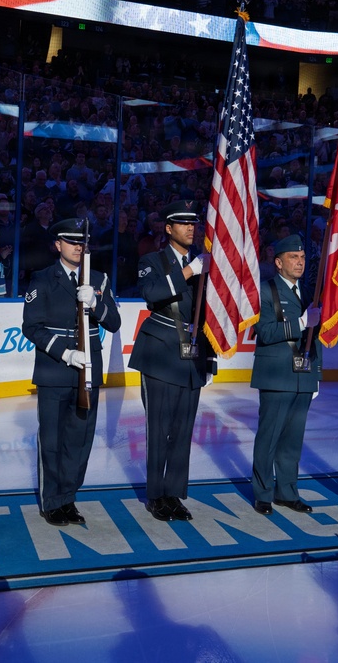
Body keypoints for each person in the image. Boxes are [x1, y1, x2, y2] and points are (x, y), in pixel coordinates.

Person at [22, 218, 121, 526]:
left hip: (88, 372)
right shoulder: (42, 278)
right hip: (54, 371)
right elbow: (31, 327)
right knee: (51, 439)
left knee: (80, 439)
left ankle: (68, 498)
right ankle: (52, 501)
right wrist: (64, 352)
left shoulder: (99, 279)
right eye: (71, 241)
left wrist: (96, 304)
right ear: (58, 245)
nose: (78, 247)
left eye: (82, 242)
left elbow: (114, 323)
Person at [128, 200, 215, 521]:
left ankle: (174, 494)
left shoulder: (205, 265)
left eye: (194, 223)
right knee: (159, 428)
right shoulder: (153, 260)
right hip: (160, 353)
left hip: (193, 357)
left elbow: (209, 316)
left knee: (182, 430)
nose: (190, 228)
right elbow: (152, 294)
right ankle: (156, 495)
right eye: (182, 223)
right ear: (168, 228)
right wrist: (190, 271)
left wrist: (212, 360)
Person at [249, 234, 322, 516]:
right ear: (278, 262)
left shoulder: (309, 293)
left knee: (293, 439)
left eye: (303, 258)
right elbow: (265, 332)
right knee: (269, 438)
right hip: (276, 374)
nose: (300, 262)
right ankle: (263, 493)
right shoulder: (265, 291)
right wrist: (301, 323)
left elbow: (317, 339)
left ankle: (288, 492)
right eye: (293, 257)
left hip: (303, 375)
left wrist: (316, 374)